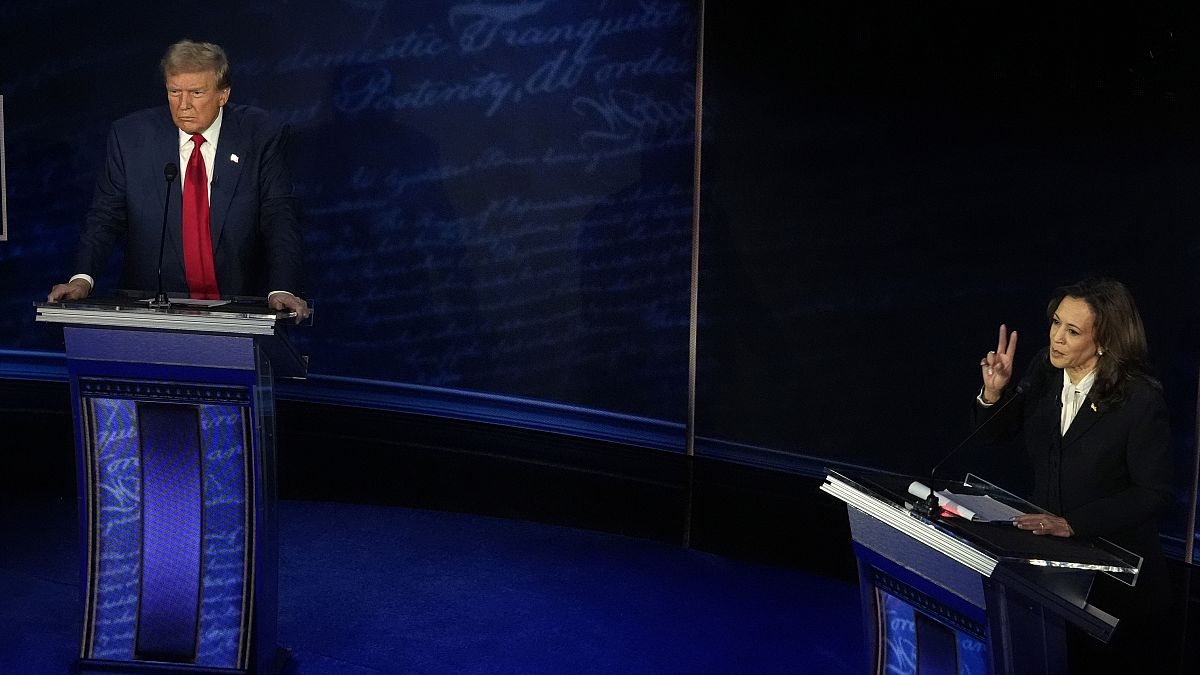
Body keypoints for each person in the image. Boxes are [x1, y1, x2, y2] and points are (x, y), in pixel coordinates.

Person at [975, 278, 1174, 672]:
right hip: (1049, 577)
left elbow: (1154, 493)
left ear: (1104, 342)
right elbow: (994, 436)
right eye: (1056, 323)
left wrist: (1072, 524)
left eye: (1072, 331)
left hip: (1115, 591)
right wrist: (993, 393)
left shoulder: (1139, 399)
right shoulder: (1045, 370)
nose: (1057, 338)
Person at [47, 39, 308, 318]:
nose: (184, 105)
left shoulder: (260, 134)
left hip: (239, 307)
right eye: (174, 92)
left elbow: (279, 216)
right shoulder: (130, 138)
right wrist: (81, 279)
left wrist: (282, 288)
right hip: (152, 310)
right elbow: (105, 215)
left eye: (196, 93)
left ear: (223, 95)